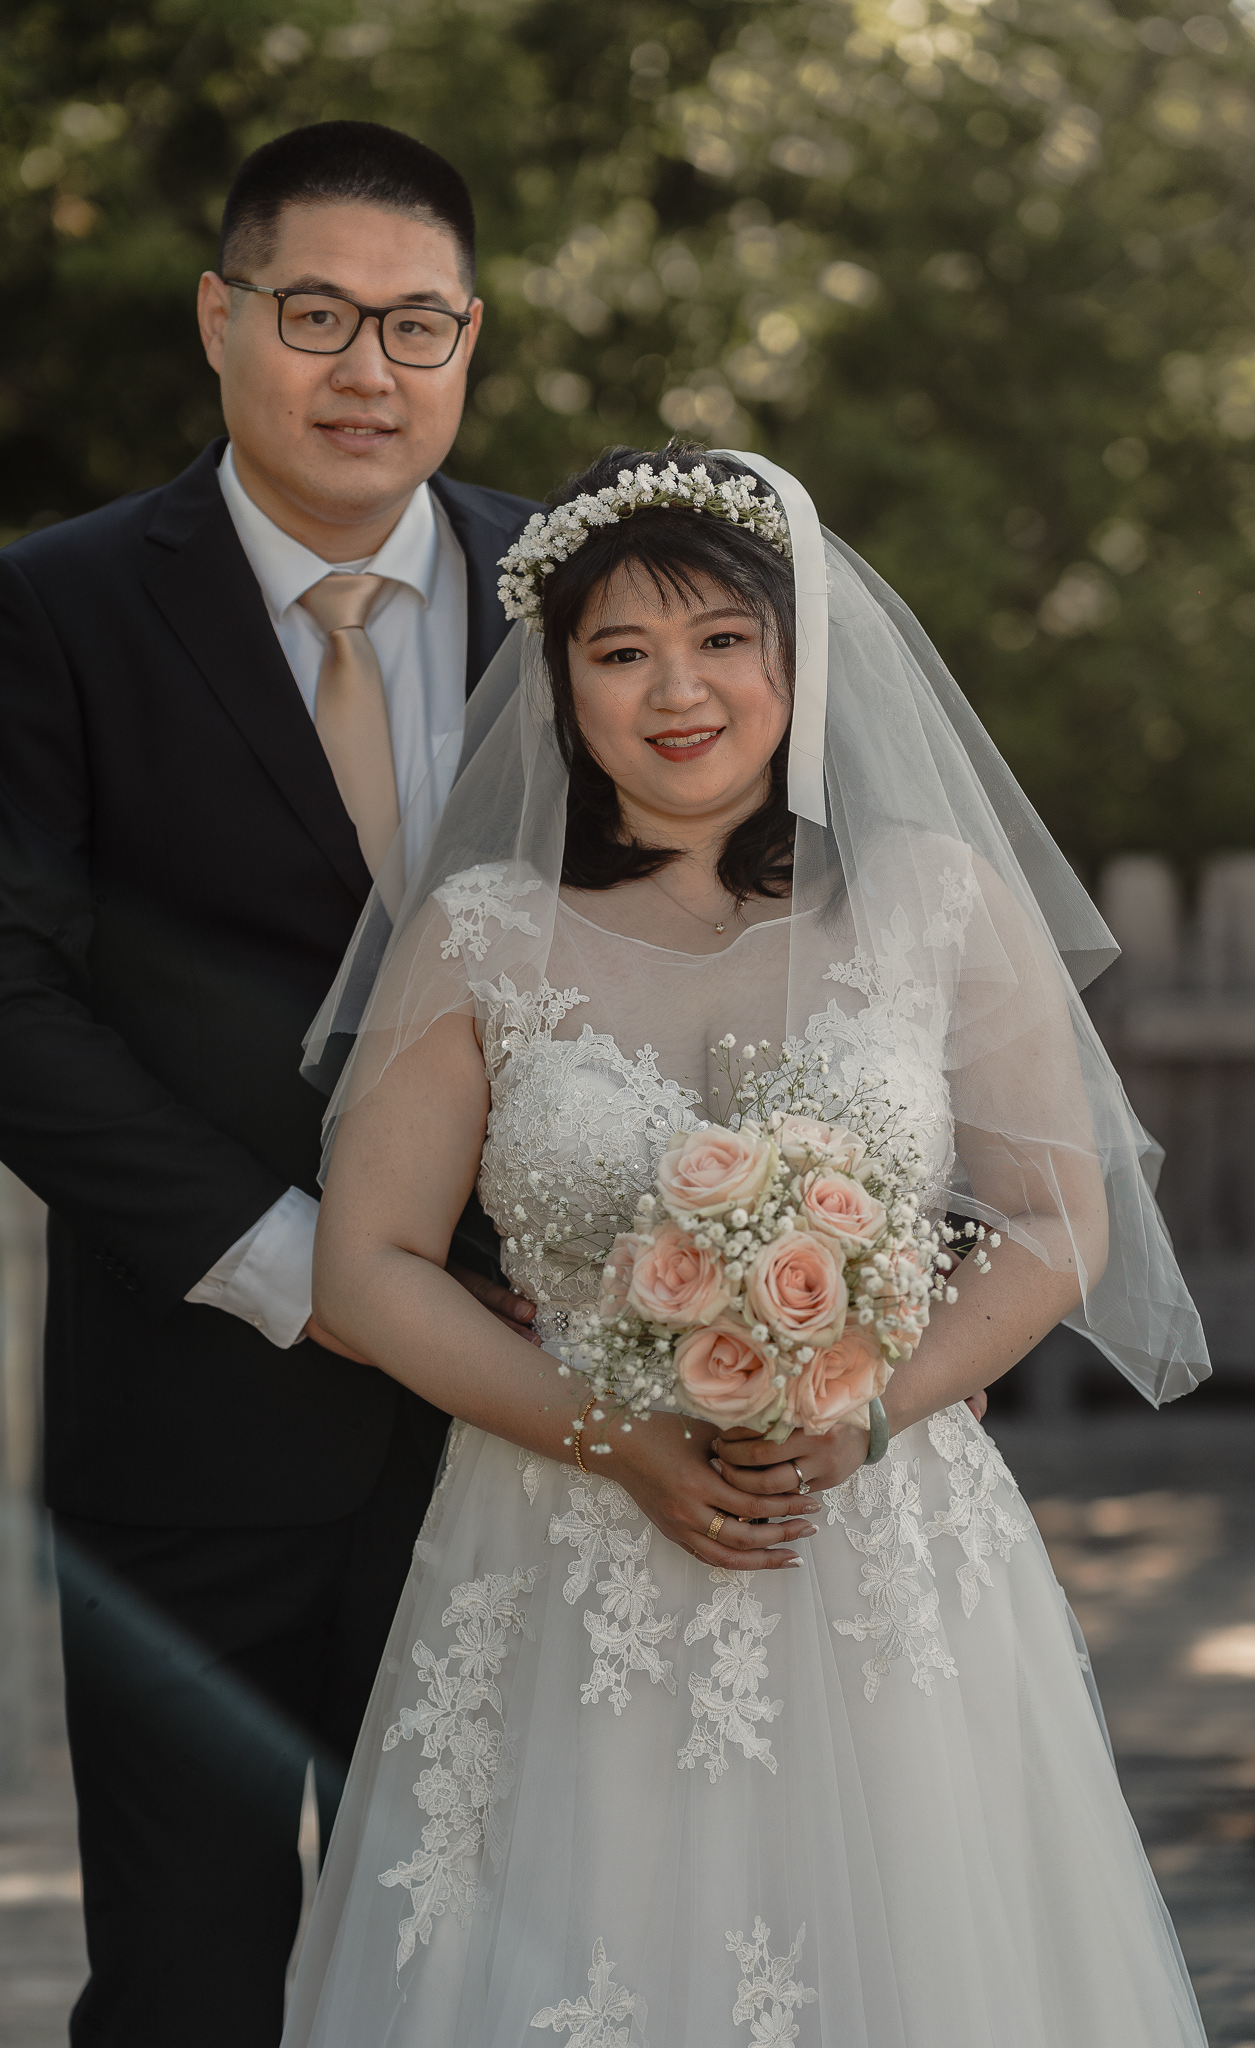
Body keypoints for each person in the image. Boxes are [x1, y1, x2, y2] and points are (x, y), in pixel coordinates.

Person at [284, 444, 1211, 2045]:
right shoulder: (483, 931)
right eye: (620, 651)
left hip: (880, 1535)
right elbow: (365, 1266)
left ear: (801, 658)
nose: (677, 691)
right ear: (558, 682)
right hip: (564, 1532)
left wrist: (870, 1410)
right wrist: (613, 1436)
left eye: (722, 639)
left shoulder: (931, 900)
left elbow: (1059, 1219)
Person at [0, 121, 541, 2048]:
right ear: (218, 316)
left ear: (470, 339)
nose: (368, 370)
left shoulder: (572, 596)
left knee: (489, 1970)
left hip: (519, 1420)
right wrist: (300, 1269)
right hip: (192, 1427)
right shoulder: (63, 611)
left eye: (416, 325)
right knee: (184, 1986)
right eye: (316, 313)